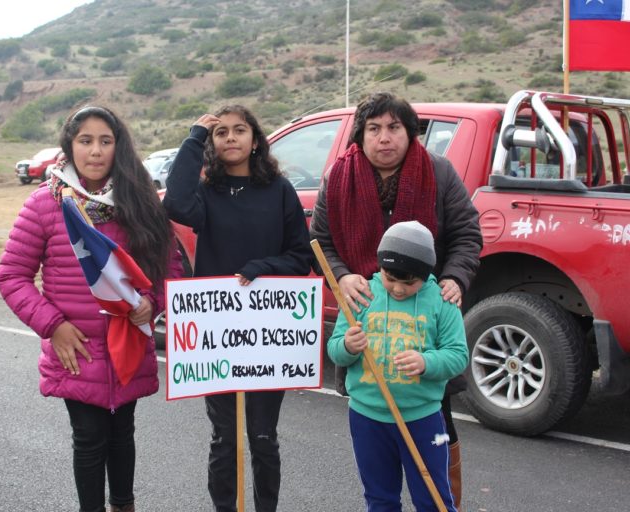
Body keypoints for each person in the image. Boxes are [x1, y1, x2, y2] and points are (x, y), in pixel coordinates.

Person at [0, 105, 182, 512]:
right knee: (89, 437)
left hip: (128, 346)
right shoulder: (45, 204)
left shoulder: (141, 201)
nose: (95, 151)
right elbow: (12, 276)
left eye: (105, 141)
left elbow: (170, 269)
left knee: (123, 433)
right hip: (76, 348)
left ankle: (124, 504)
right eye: (85, 141)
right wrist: (53, 326)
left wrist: (150, 305)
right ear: (70, 145)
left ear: (119, 147)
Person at [309, 92, 482, 509]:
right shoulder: (338, 176)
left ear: (410, 132)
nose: (384, 138)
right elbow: (320, 239)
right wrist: (343, 275)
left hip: (424, 319)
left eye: (394, 127)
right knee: (377, 445)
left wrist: (455, 277)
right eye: (374, 129)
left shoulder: (438, 173)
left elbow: (466, 235)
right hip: (368, 314)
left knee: (437, 427)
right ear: (361, 135)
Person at [162, 105, 313, 512]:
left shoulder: (279, 189)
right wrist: (194, 135)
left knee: (263, 437)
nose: (230, 137)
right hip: (216, 336)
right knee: (224, 439)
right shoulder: (206, 192)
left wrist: (262, 268)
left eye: (239, 130)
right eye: (220, 132)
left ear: (255, 139)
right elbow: (175, 203)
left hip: (269, 333)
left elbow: (301, 256)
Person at [327, 221, 468, 512]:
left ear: (427, 273)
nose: (399, 289)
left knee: (434, 499)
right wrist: (347, 347)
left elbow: (457, 355)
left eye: (410, 282)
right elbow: (336, 350)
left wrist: (426, 362)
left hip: (424, 418)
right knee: (380, 499)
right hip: (367, 416)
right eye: (391, 279)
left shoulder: (443, 300)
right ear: (380, 267)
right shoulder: (361, 294)